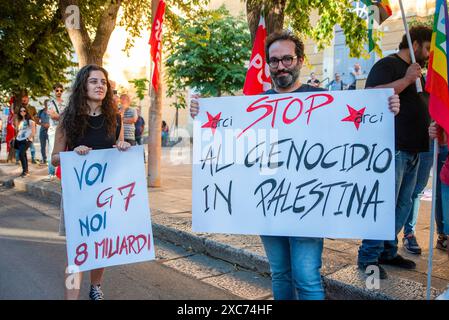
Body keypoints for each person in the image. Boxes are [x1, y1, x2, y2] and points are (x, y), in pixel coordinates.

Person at [190, 30, 400, 300]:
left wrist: (386, 109)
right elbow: (231, 147)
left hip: (309, 206)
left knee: (306, 277)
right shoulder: (255, 105)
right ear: (268, 65)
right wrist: (202, 115)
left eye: (287, 59)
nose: (281, 66)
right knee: (280, 274)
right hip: (268, 204)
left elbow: (355, 138)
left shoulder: (325, 99)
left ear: (300, 60)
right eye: (274, 61)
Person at [357, 25, 433, 279]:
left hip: (417, 148)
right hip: (394, 148)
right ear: (416, 43)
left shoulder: (422, 71)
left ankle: (387, 250)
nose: (430, 52)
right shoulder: (388, 65)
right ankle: (368, 257)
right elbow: (370, 96)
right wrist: (407, 80)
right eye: (428, 46)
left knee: (403, 205)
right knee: (384, 204)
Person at [51, 64, 131, 300]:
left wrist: (123, 147)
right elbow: (55, 158)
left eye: (103, 82)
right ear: (83, 85)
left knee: (102, 244)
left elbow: (118, 149)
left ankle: (95, 286)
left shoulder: (114, 118)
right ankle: (71, 296)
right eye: (94, 81)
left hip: (106, 192)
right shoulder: (68, 117)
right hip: (78, 194)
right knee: (76, 249)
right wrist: (73, 153)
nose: (100, 86)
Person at [45, 84, 66, 181]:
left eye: (61, 91)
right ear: (54, 91)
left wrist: (59, 116)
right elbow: (52, 116)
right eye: (57, 90)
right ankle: (51, 173)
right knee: (52, 152)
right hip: (53, 130)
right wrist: (63, 117)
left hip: (64, 130)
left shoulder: (65, 103)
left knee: (64, 151)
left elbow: (68, 116)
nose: (59, 92)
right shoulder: (50, 103)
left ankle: (61, 173)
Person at [15, 107, 36, 177]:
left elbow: (33, 132)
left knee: (21, 154)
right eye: (21, 111)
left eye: (24, 110)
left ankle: (25, 171)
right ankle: (25, 171)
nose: (22, 112)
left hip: (26, 140)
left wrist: (28, 138)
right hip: (19, 140)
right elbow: (19, 131)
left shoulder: (30, 121)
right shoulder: (20, 121)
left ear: (26, 111)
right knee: (23, 154)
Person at [20, 94, 38, 163]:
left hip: (31, 128)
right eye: (23, 100)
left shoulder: (32, 108)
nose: (24, 101)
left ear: (28, 99)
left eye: (25, 99)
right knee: (21, 144)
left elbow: (36, 117)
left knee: (31, 144)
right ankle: (20, 159)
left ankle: (33, 159)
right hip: (23, 129)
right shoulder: (20, 108)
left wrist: (34, 124)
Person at [37, 99, 50, 165]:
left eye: (48, 103)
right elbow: (37, 121)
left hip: (50, 130)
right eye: (46, 103)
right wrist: (43, 124)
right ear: (44, 104)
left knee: (51, 145)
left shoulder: (51, 111)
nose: (47, 105)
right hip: (42, 130)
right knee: (42, 146)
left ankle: (51, 159)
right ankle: (44, 159)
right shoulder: (41, 111)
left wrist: (49, 125)